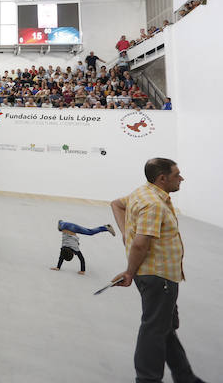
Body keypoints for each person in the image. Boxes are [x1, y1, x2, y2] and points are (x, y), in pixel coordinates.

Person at [109, 158, 206, 383]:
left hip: (159, 276)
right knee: (154, 330)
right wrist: (129, 271)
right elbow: (141, 244)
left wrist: (125, 232)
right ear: (162, 178)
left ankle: (185, 377)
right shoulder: (153, 203)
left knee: (165, 328)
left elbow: (116, 203)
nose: (181, 178)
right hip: (158, 277)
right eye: (177, 174)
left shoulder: (142, 192)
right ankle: (147, 379)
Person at [50, 220, 115, 275]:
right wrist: (58, 267)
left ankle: (106, 227)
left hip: (72, 228)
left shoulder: (75, 249)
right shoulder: (63, 248)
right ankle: (60, 222)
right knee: (60, 229)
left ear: (72, 253)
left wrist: (82, 271)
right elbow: (61, 257)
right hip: (64, 226)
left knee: (90, 232)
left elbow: (82, 259)